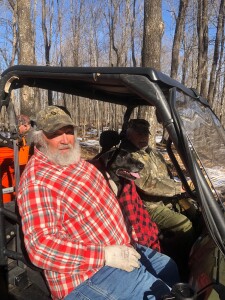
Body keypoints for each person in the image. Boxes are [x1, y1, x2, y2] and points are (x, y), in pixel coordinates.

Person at [17, 106, 180, 300]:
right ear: (40, 138)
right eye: (55, 134)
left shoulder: (76, 162)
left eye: (69, 132)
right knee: (160, 294)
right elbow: (41, 247)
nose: (65, 140)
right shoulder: (38, 181)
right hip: (85, 274)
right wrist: (104, 255)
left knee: (169, 268)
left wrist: (128, 232)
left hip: (122, 247)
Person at [120, 119, 196, 280]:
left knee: (197, 213)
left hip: (168, 198)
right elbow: (146, 184)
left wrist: (182, 189)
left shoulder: (153, 153)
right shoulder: (126, 156)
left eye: (145, 133)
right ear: (128, 133)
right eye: (138, 133)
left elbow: (168, 177)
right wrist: (179, 188)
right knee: (185, 225)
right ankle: (180, 265)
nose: (143, 137)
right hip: (149, 206)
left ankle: (196, 252)